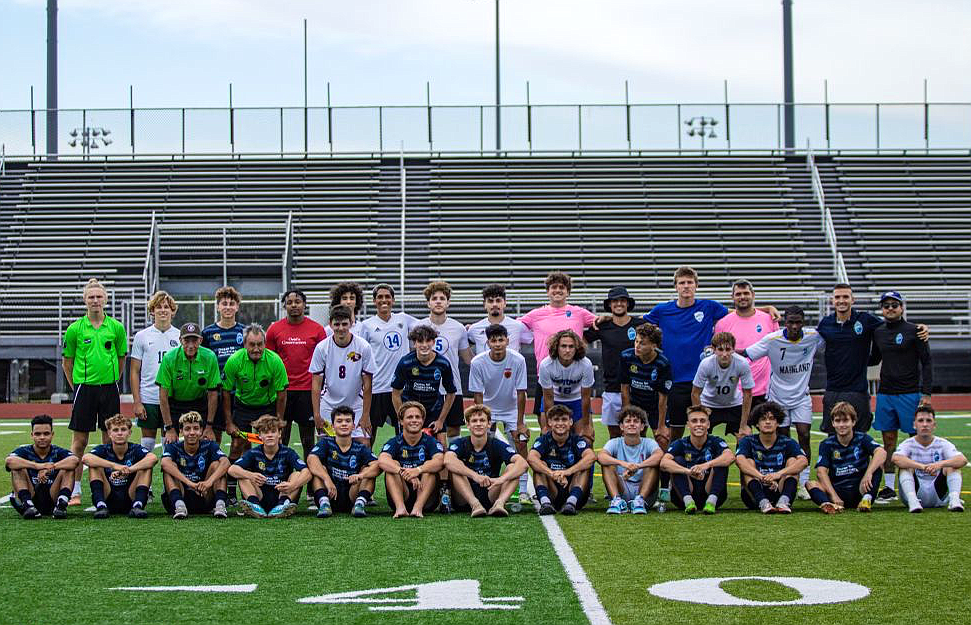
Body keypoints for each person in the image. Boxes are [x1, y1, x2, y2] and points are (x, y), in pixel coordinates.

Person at [816, 283, 929, 435]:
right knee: (832, 434)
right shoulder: (825, 324)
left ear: (853, 300)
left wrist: (919, 327)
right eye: (837, 297)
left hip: (858, 390)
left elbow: (894, 325)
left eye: (845, 297)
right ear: (832, 301)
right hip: (833, 389)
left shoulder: (865, 320)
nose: (841, 301)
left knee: (861, 434)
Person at [742, 306, 823, 496]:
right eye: (791, 322)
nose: (794, 326)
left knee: (804, 435)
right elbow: (747, 353)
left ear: (803, 322)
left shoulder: (814, 336)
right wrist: (721, 351)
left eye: (798, 322)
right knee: (784, 439)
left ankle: (803, 482)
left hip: (802, 396)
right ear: (784, 322)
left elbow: (832, 341)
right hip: (778, 397)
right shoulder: (772, 340)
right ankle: (784, 478)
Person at [62, 278, 128, 505]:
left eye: (99, 296)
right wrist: (78, 387)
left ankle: (109, 489)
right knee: (79, 441)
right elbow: (67, 363)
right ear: (84, 300)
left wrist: (111, 381)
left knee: (110, 440)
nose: (95, 300)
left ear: (106, 299)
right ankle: (74, 490)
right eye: (91, 297)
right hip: (85, 389)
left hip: (109, 389)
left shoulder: (116, 328)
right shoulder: (75, 329)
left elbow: (121, 359)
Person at [871, 290, 933, 504]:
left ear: (902, 307)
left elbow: (927, 362)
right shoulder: (878, 332)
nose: (890, 308)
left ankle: (916, 484)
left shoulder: (915, 331)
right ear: (882, 309)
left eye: (894, 304)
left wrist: (926, 393)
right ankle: (889, 487)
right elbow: (873, 358)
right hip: (886, 393)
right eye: (886, 305)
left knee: (913, 439)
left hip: (910, 393)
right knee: (888, 440)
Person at [222, 323, 289, 503]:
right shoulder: (234, 361)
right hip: (243, 407)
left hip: (267, 406)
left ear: (265, 344)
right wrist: (229, 422)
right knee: (237, 445)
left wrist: (279, 420)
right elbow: (226, 392)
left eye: (260, 344)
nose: (256, 349)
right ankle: (230, 491)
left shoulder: (274, 361)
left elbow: (282, 394)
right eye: (252, 344)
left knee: (269, 445)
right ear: (244, 344)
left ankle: (274, 487)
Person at [519, 271, 597, 419]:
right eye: (553, 287)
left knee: (578, 426)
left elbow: (601, 325)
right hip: (546, 375)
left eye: (562, 287)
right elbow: (511, 327)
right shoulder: (536, 314)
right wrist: (478, 327)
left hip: (574, 377)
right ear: (548, 291)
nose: (558, 290)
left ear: (568, 291)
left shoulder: (579, 312)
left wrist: (585, 340)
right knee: (546, 424)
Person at [468, 324, 531, 504]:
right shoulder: (478, 362)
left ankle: (524, 490)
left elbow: (521, 392)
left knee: (520, 443)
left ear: (507, 341)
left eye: (501, 340)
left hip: (511, 408)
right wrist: (483, 419)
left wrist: (520, 423)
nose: (497, 344)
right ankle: (489, 482)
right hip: (488, 408)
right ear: (487, 343)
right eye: (493, 340)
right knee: (486, 445)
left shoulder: (518, 360)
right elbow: (478, 395)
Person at [266, 289, 328, 460]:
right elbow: (270, 361)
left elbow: (323, 362)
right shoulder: (274, 330)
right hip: (283, 391)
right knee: (282, 438)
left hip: (307, 391)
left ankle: (310, 482)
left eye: (298, 301)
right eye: (290, 302)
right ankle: (281, 477)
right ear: (285, 306)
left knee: (308, 439)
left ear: (304, 304)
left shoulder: (317, 330)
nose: (294, 305)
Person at [583, 286, 646, 439]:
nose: (619, 304)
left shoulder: (640, 325)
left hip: (638, 387)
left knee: (641, 433)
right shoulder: (602, 326)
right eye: (615, 301)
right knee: (615, 434)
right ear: (610, 305)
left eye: (622, 300)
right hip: (612, 388)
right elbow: (582, 341)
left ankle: (640, 463)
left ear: (628, 303)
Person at [359, 283, 418, 444]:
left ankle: (404, 465)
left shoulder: (404, 319)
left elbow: (428, 325)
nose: (384, 300)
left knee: (404, 433)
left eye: (387, 297)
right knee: (369, 435)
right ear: (374, 301)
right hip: (376, 387)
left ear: (393, 300)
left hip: (400, 388)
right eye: (380, 297)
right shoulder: (367, 325)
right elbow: (361, 353)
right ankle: (367, 465)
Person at [444, 404, 529, 517]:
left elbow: (523, 464)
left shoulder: (496, 444)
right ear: (468, 425)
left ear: (489, 424)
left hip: (490, 492)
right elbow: (448, 461)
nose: (478, 424)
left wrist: (501, 479)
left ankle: (499, 504)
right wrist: (475, 476)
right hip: (464, 496)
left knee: (513, 468)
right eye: (474, 421)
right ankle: (475, 505)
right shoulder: (460, 443)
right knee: (455, 466)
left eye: (482, 420)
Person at [309, 305, 375, 445]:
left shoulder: (363, 347)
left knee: (364, 444)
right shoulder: (322, 348)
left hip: (356, 403)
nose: (340, 328)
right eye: (336, 324)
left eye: (344, 324)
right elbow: (316, 384)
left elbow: (368, 385)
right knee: (324, 446)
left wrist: (365, 415)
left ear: (351, 323)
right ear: (330, 324)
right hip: (328, 404)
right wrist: (317, 414)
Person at [806, 401, 886, 514]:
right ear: (833, 423)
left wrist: (868, 473)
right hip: (837, 490)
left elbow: (881, 452)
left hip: (860, 488)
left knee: (877, 465)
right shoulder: (826, 444)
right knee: (810, 484)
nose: (841, 425)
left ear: (853, 422)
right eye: (838, 421)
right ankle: (828, 505)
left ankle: (866, 500)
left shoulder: (862, 438)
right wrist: (834, 496)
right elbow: (821, 472)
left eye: (845, 420)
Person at [419, 281, 473, 443]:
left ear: (448, 302)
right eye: (434, 298)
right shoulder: (419, 326)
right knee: (427, 428)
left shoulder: (458, 328)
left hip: (452, 387)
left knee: (453, 428)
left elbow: (468, 358)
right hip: (426, 386)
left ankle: (452, 463)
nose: (438, 301)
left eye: (442, 298)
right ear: (428, 303)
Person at [229, 415, 311, 519]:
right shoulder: (254, 453)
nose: (269, 435)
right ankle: (255, 506)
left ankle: (282, 506)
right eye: (265, 432)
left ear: (280, 434)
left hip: (283, 493)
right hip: (260, 495)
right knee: (243, 475)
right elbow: (232, 469)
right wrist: (251, 475)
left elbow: (307, 472)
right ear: (259, 436)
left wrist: (293, 485)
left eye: (273, 431)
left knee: (297, 474)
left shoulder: (288, 452)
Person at [130, 290, 181, 454]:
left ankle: (169, 479)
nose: (163, 310)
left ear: (172, 311)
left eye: (167, 307)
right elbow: (134, 371)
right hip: (149, 397)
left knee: (170, 443)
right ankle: (144, 479)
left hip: (172, 398)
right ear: (152, 311)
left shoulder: (180, 336)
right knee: (147, 444)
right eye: (158, 307)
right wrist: (137, 401)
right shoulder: (141, 336)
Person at [307, 405, 381, 518]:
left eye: (348, 421)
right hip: (330, 492)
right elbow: (311, 459)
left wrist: (361, 475)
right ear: (333, 426)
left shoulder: (360, 447)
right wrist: (326, 478)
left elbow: (377, 465)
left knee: (368, 470)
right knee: (318, 468)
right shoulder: (326, 443)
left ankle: (359, 504)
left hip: (352, 494)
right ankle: (324, 504)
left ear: (353, 426)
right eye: (339, 421)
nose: (344, 424)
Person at [713, 279, 778, 407]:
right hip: (734, 389)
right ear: (732, 297)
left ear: (753, 295)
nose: (742, 297)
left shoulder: (769, 319)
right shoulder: (722, 323)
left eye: (746, 293)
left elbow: (776, 348)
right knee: (737, 427)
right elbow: (718, 355)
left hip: (764, 389)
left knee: (768, 426)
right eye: (738, 294)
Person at [734, 401, 808, 514]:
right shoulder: (748, 441)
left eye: (772, 419)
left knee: (793, 461)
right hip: (753, 494)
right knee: (748, 461)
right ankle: (763, 502)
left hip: (779, 488)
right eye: (763, 419)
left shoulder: (787, 442)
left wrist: (778, 474)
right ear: (757, 424)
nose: (768, 422)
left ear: (778, 423)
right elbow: (739, 461)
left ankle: (784, 502)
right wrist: (761, 477)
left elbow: (803, 461)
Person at [892, 403, 966, 513]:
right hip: (914, 492)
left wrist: (939, 465)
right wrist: (922, 466)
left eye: (929, 421)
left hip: (938, 494)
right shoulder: (908, 444)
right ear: (914, 425)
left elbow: (962, 460)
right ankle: (913, 501)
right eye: (921, 421)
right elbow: (896, 458)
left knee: (952, 466)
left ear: (934, 425)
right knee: (905, 467)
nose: (925, 424)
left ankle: (954, 500)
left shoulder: (942, 443)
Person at [660, 406, 733, 515]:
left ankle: (711, 502)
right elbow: (664, 463)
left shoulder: (715, 441)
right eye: (694, 421)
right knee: (677, 460)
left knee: (721, 461)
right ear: (688, 425)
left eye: (702, 421)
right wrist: (688, 471)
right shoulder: (680, 443)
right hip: (683, 496)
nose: (699, 424)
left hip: (713, 494)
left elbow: (730, 456)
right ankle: (688, 501)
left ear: (708, 424)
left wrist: (706, 465)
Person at [82, 414, 158, 519]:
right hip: (108, 495)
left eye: (123, 429)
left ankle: (138, 505)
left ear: (129, 433)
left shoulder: (135, 449)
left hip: (131, 496)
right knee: (95, 466)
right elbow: (86, 458)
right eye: (115, 430)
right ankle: (100, 506)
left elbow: (153, 458)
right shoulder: (103, 449)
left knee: (146, 467)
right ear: (109, 433)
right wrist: (116, 466)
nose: (119, 433)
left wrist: (128, 470)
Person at [378, 402, 446, 518]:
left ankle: (417, 508)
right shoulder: (395, 441)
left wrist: (418, 470)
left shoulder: (430, 441)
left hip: (427, 499)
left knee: (429, 467)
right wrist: (403, 472)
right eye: (409, 417)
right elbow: (382, 460)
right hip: (403, 494)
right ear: (401, 421)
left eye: (417, 417)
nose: (414, 420)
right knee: (392, 466)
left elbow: (440, 460)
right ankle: (400, 508)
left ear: (423, 421)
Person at [156, 323, 220, 443]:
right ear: (180, 340)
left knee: (204, 443)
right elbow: (163, 397)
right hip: (175, 404)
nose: (191, 345)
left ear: (201, 340)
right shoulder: (169, 358)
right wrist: (169, 428)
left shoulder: (210, 357)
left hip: (199, 404)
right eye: (187, 340)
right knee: (170, 444)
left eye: (194, 340)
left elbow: (212, 394)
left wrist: (209, 426)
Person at [527, 404, 596, 516]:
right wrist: (552, 473)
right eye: (556, 419)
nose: (560, 423)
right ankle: (545, 504)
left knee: (583, 467)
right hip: (552, 489)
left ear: (571, 422)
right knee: (540, 465)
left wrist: (567, 472)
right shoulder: (544, 440)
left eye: (564, 419)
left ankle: (571, 503)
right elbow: (531, 458)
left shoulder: (576, 440)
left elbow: (591, 457)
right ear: (550, 422)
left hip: (574, 489)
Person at [160, 411, 231, 519]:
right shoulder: (173, 447)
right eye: (187, 429)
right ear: (181, 431)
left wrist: (208, 482)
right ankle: (179, 506)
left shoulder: (210, 445)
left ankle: (220, 505)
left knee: (218, 465)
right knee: (169, 468)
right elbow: (164, 463)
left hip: (205, 494)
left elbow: (226, 463)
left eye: (196, 428)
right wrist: (189, 483)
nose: (192, 433)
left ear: (201, 430)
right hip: (181, 494)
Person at [6, 415, 79, 519]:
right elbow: (9, 461)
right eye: (37, 434)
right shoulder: (24, 451)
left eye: (46, 433)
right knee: (17, 468)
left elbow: (74, 461)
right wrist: (38, 466)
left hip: (53, 495)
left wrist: (50, 468)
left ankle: (61, 505)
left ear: (52, 435)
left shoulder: (58, 451)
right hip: (31, 493)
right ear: (32, 435)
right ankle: (28, 505)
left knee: (68, 468)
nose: (42, 437)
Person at [391, 325, 457, 435]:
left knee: (442, 446)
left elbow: (451, 392)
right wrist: (402, 418)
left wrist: (440, 420)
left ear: (434, 342)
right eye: (420, 341)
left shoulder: (443, 363)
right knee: (405, 447)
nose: (424, 345)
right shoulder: (405, 363)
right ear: (415, 343)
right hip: (411, 410)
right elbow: (395, 393)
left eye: (428, 341)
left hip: (434, 409)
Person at [201, 285, 247, 443]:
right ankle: (217, 467)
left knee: (241, 440)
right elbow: (204, 363)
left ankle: (240, 467)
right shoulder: (207, 333)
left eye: (231, 304)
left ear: (237, 307)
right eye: (224, 303)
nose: (228, 307)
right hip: (217, 393)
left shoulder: (244, 332)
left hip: (239, 393)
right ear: (217, 307)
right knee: (215, 437)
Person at [598, 406, 662, 515]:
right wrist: (624, 464)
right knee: (607, 465)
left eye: (636, 421)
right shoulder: (615, 442)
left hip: (645, 490)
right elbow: (601, 456)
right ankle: (617, 501)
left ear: (642, 426)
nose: (632, 424)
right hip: (623, 487)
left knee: (653, 465)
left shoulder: (649, 442)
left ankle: (640, 501)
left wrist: (638, 466)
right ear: (621, 426)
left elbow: (659, 455)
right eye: (628, 421)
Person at [691, 332, 754, 439]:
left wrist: (743, 425)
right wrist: (700, 417)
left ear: (733, 349)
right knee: (699, 434)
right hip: (709, 403)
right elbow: (695, 393)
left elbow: (747, 394)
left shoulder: (742, 363)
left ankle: (741, 456)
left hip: (733, 403)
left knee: (745, 435)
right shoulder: (706, 364)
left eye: (728, 349)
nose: (724, 354)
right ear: (714, 350)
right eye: (720, 350)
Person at [619, 323, 672, 446]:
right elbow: (625, 389)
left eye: (642, 343)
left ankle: (662, 465)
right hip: (635, 403)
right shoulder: (626, 356)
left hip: (655, 405)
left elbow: (663, 397)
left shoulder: (663, 363)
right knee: (634, 437)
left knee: (662, 439)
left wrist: (661, 425)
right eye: (636, 341)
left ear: (654, 345)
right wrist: (627, 416)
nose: (637, 346)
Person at [538, 329, 595, 439]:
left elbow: (586, 397)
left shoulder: (585, 364)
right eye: (563, 346)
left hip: (577, 400)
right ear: (557, 347)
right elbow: (548, 398)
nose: (567, 350)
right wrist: (549, 424)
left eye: (571, 346)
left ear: (576, 348)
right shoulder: (546, 365)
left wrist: (586, 425)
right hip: (554, 400)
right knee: (548, 437)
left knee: (586, 438)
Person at [467, 283, 533, 354]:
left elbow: (536, 340)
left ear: (505, 303)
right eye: (490, 301)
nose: (494, 304)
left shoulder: (518, 327)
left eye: (498, 300)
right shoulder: (474, 329)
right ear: (484, 304)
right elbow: (462, 347)